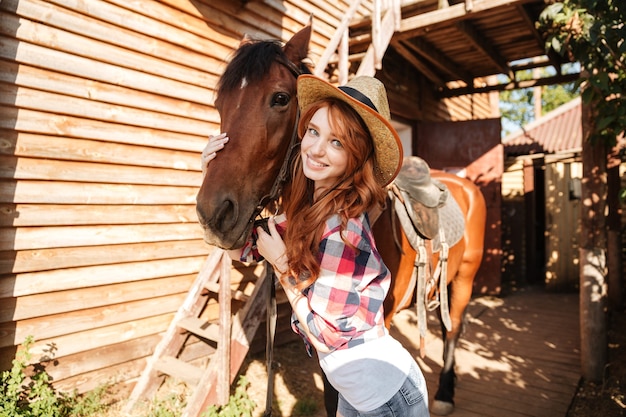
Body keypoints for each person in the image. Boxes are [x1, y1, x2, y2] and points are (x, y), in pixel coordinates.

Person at [201, 74, 429, 417]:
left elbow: (326, 335)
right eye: (314, 131)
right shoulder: (304, 213)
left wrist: (282, 268)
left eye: (337, 142)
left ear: (356, 156)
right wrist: (210, 172)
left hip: (387, 399)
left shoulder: (345, 227)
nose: (316, 149)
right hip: (354, 391)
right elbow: (240, 248)